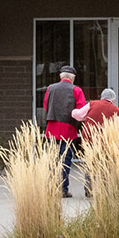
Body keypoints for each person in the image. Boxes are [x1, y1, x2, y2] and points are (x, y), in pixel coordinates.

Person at [42, 64, 86, 197]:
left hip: (51, 129)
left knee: (52, 160)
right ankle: (63, 189)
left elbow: (45, 106)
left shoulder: (50, 88)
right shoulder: (76, 90)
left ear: (60, 76)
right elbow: (81, 110)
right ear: (73, 78)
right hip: (68, 130)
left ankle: (51, 188)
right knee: (65, 160)